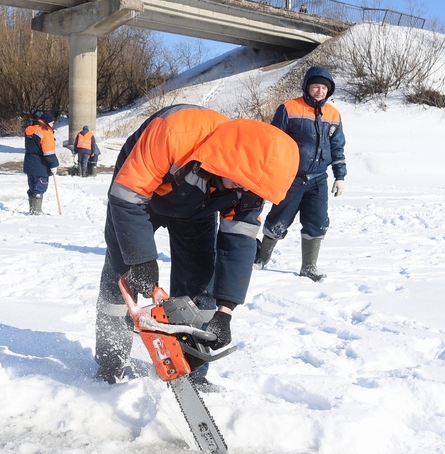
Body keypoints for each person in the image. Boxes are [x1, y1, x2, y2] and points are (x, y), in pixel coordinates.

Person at [94, 104, 299, 386]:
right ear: (230, 162)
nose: (245, 194)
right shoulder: (175, 130)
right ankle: (110, 364)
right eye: (242, 186)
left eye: (252, 191)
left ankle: (191, 373)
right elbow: (128, 197)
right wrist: (140, 258)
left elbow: (238, 242)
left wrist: (225, 311)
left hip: (196, 209)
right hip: (139, 197)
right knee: (121, 272)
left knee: (199, 282)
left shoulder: (251, 183)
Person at [254, 66, 348, 281]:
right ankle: (261, 259)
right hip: (292, 178)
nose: (320, 91)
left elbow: (337, 147)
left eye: (324, 88)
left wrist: (340, 176)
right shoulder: (289, 108)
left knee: (317, 222)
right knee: (279, 219)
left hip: (318, 180)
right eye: (316, 86)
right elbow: (273, 141)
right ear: (307, 87)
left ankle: (309, 267)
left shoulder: (333, 114)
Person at [23, 112, 60, 214]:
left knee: (32, 187)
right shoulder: (45, 132)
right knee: (40, 187)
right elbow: (48, 152)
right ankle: (36, 211)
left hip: (29, 163)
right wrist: (54, 165)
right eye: (52, 123)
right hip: (41, 165)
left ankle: (32, 210)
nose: (53, 125)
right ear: (47, 122)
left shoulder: (30, 129)